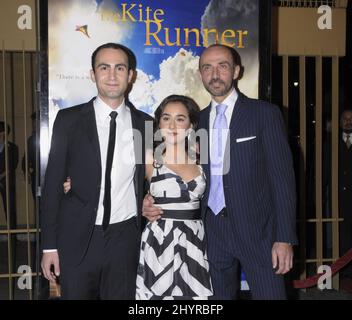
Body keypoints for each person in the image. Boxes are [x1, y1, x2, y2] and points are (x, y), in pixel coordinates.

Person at [143, 44, 297, 300]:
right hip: (209, 232)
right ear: (200, 74)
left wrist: (284, 238)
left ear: (236, 71)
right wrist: (150, 200)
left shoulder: (264, 114)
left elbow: (283, 180)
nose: (214, 74)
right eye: (207, 68)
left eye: (222, 66)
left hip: (259, 234)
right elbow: (171, 172)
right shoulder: (194, 122)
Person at [63, 95, 213, 300]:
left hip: (195, 240)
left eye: (180, 118)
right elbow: (114, 178)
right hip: (160, 241)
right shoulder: (150, 158)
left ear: (190, 124)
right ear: (158, 124)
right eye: (166, 118)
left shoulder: (201, 156)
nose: (172, 125)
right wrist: (80, 183)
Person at [40, 42, 153, 299]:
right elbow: (52, 187)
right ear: (93, 74)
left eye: (119, 68)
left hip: (125, 239)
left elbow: (153, 178)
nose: (112, 76)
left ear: (131, 75)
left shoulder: (145, 123)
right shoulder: (68, 120)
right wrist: (49, 246)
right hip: (78, 237)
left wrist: (150, 200)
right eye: (104, 67)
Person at [338, 109, 352, 285]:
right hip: (337, 199)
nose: (349, 121)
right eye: (346, 119)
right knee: (341, 236)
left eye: (351, 119)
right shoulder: (328, 143)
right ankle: (343, 272)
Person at [0, 121, 18, 229]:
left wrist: (1, 176)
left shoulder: (12, 147)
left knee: (10, 210)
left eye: (2, 132)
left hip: (6, 182)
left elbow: (12, 165)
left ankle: (12, 239)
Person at [22, 112, 38, 200]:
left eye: (36, 121)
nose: (34, 124)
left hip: (50, 175)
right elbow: (26, 157)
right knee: (36, 201)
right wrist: (26, 171)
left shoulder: (50, 137)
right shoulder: (31, 139)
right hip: (36, 175)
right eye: (33, 122)